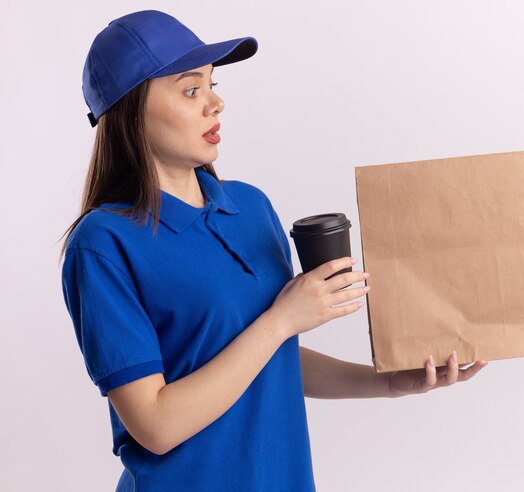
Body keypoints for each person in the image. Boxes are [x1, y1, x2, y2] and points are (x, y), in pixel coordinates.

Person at [58, 9, 488, 492]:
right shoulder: (102, 244)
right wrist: (284, 317)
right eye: (190, 89)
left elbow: (270, 358)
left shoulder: (250, 207)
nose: (215, 103)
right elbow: (155, 426)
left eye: (213, 85)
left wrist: (387, 382)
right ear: (130, 110)